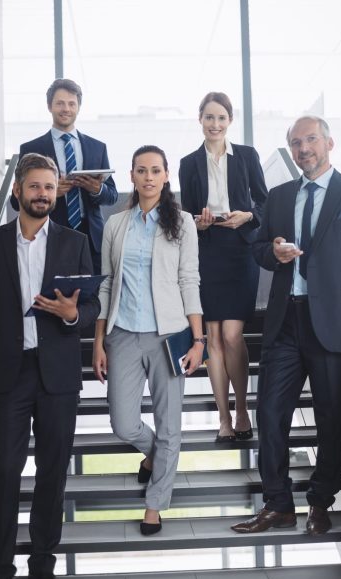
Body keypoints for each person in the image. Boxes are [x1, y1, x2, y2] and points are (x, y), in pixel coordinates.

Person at [231, 116, 341, 537]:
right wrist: (273, 251)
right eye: (295, 143)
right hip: (285, 321)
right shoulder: (281, 196)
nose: (303, 149)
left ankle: (321, 501)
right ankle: (278, 504)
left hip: (335, 323)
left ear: (329, 143)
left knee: (330, 419)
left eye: (310, 140)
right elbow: (259, 250)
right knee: (269, 414)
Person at [0, 153, 100, 579]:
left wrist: (71, 314)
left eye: (49, 187)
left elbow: (92, 306)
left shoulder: (74, 242)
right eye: (35, 186)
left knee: (53, 471)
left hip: (58, 374)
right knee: (4, 470)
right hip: (9, 372)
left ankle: (43, 566)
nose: (42, 194)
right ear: (19, 190)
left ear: (56, 191)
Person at [93, 145, 204, 535]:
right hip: (122, 334)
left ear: (166, 175)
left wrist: (198, 339)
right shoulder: (115, 225)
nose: (149, 177)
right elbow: (106, 285)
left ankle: (155, 505)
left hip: (169, 336)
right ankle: (155, 455)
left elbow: (189, 280)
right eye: (142, 170)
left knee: (169, 424)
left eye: (156, 170)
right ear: (132, 176)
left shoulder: (183, 223)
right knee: (123, 423)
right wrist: (98, 340)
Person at [179, 92, 269, 442]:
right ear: (199, 120)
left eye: (221, 118)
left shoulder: (247, 156)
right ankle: (223, 418)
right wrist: (198, 223)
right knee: (213, 338)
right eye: (209, 118)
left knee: (233, 335)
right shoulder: (188, 163)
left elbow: (264, 201)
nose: (215, 124)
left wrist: (247, 216)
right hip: (207, 251)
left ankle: (243, 409)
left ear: (229, 121)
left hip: (240, 250)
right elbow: (187, 213)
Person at [10, 78, 118, 273]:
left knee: (91, 298)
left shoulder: (97, 148)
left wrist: (97, 189)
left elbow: (112, 195)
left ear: (78, 107)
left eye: (71, 104)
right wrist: (50, 192)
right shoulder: (31, 148)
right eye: (59, 103)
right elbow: (16, 201)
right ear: (49, 106)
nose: (66, 109)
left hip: (91, 238)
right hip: (49, 234)